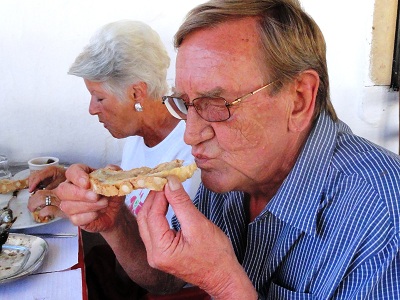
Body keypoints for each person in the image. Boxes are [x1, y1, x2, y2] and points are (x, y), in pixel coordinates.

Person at [54, 0, 400, 299]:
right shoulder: (230, 174)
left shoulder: (385, 216)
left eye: (215, 104)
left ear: (298, 100)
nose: (190, 136)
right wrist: (116, 224)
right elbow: (165, 279)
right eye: (185, 104)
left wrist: (224, 284)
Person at [27, 20, 202, 300]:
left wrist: (101, 215)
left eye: (99, 98)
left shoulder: (190, 157)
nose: (91, 110)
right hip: (124, 278)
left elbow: (166, 280)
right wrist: (81, 181)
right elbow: (134, 191)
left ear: (136, 93)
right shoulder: (136, 131)